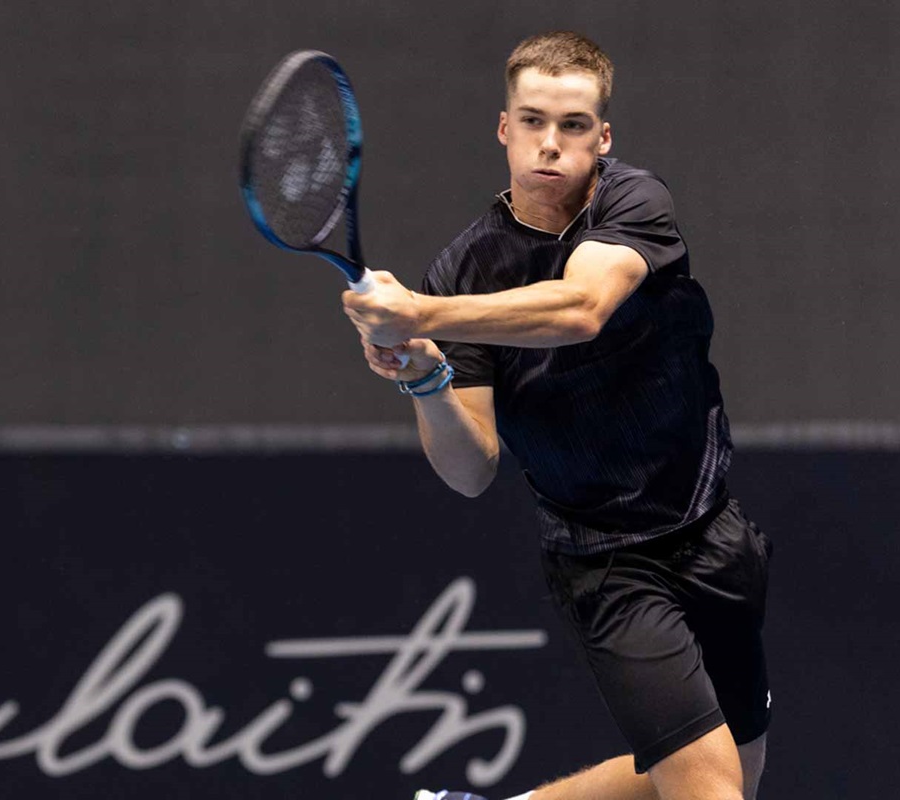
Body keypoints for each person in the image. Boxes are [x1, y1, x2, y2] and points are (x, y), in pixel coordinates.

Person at [341, 31, 772, 800]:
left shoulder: (635, 201)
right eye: (532, 121)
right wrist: (429, 378)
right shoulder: (466, 267)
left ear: (603, 138)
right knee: (711, 791)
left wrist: (419, 312)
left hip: (712, 531)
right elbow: (471, 469)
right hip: (605, 562)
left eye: (573, 125)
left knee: (740, 766)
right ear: (504, 130)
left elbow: (581, 308)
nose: (551, 144)